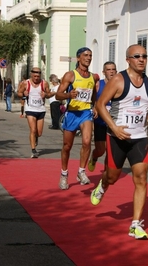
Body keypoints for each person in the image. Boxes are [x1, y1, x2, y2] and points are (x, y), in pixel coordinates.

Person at [90, 44, 148, 240]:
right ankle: (102, 186)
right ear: (128, 59)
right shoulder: (118, 80)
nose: (141, 59)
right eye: (137, 56)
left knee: (141, 178)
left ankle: (135, 224)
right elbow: (100, 104)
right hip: (117, 138)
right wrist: (114, 127)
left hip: (139, 138)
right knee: (112, 176)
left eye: (144, 56)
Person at [55, 47, 99, 190]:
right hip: (72, 113)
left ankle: (81, 171)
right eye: (85, 55)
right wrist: (68, 95)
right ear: (79, 58)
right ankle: (64, 174)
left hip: (86, 113)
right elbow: (58, 95)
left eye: (90, 55)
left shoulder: (93, 77)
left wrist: (95, 107)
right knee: (67, 147)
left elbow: (93, 96)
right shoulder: (70, 75)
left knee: (87, 141)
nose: (88, 58)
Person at [17, 67, 54, 158]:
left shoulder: (44, 83)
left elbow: (49, 95)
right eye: (35, 76)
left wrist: (45, 94)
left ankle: (35, 138)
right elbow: (19, 93)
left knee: (39, 133)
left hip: (41, 109)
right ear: (31, 75)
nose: (36, 78)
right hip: (30, 109)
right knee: (33, 130)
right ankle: (33, 150)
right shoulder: (26, 83)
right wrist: (23, 94)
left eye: (38, 76)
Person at [88, 61, 117, 172]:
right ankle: (94, 157)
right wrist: (94, 107)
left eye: (113, 69)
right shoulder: (98, 84)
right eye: (108, 70)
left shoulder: (120, 84)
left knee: (110, 150)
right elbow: (92, 99)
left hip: (114, 122)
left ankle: (106, 172)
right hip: (100, 121)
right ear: (104, 72)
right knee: (101, 150)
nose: (111, 72)